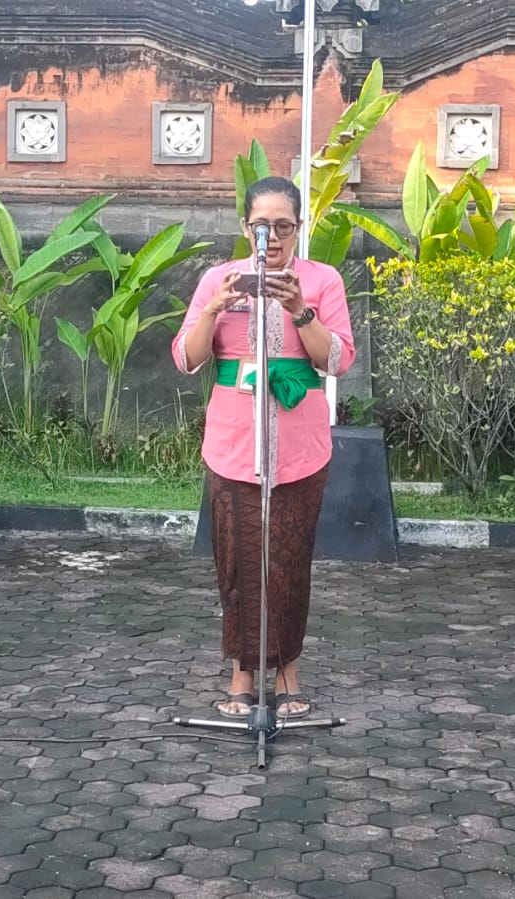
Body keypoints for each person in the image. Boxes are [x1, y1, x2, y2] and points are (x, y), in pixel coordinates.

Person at [171, 176, 356, 719]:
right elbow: (187, 359)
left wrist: (301, 311)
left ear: (299, 228)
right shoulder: (218, 279)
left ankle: (287, 671)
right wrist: (214, 308)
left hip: (300, 444)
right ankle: (242, 673)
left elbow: (337, 360)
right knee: (238, 560)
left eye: (282, 226)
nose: (271, 238)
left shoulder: (321, 281)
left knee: (289, 561)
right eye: (260, 226)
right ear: (244, 227)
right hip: (233, 443)